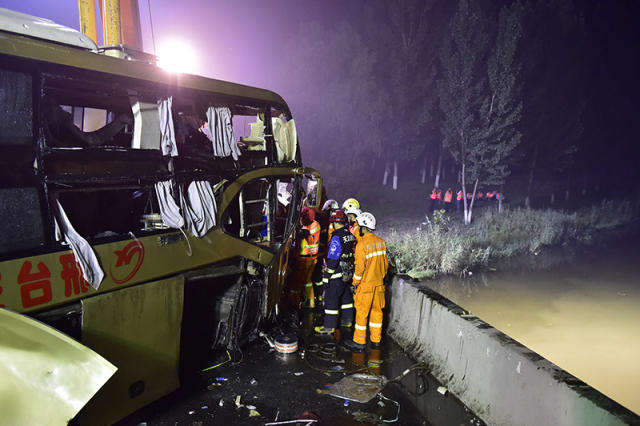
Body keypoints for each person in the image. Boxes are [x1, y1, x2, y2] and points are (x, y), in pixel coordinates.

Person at [344, 212, 388, 353]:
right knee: (377, 313)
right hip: (379, 285)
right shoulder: (381, 242)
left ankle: (359, 342)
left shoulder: (362, 245)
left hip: (366, 285)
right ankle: (376, 340)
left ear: (363, 228)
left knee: (362, 313)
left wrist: (354, 283)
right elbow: (385, 265)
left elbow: (359, 268)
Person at [314, 209, 356, 335]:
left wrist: (326, 276)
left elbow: (333, 259)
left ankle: (329, 327)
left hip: (337, 274)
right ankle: (347, 321)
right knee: (346, 298)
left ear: (335, 223)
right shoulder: (350, 235)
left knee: (331, 299)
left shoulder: (337, 237)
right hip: (347, 273)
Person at [288, 207, 321, 308]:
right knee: (307, 281)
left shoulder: (311, 226)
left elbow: (308, 237)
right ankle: (310, 302)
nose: (301, 219)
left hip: (305, 258)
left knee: (297, 282)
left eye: (302, 217)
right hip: (309, 258)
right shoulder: (314, 224)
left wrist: (301, 231)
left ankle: (294, 303)